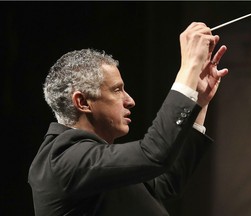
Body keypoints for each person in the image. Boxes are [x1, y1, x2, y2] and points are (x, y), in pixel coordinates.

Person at [28, 22, 228, 216]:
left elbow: (163, 185)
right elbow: (152, 154)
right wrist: (189, 69)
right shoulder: (62, 158)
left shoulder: (93, 164)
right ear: (83, 102)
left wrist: (198, 101)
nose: (130, 101)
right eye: (117, 90)